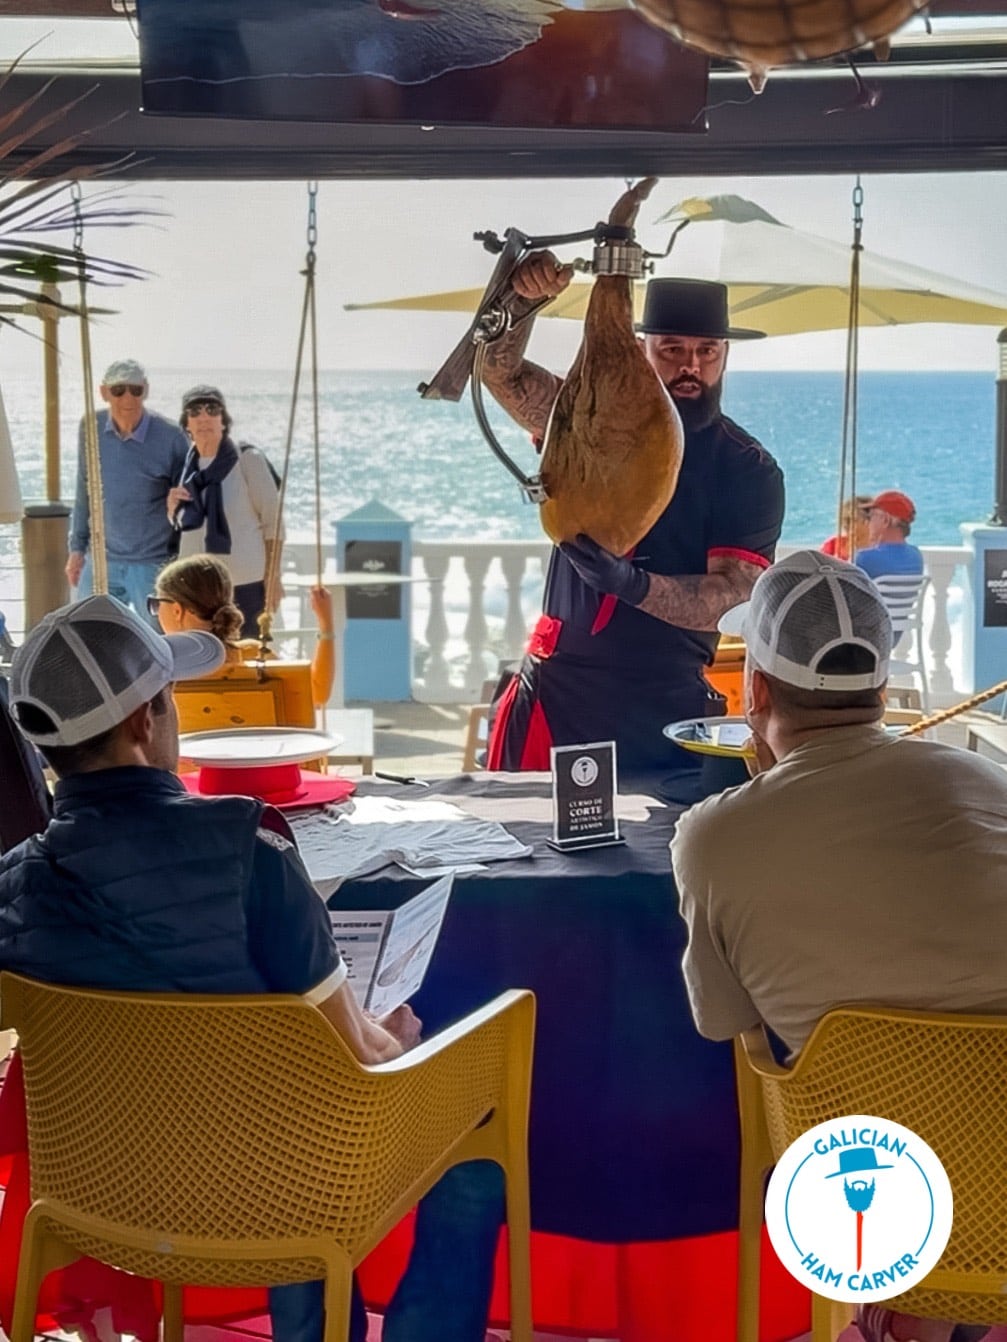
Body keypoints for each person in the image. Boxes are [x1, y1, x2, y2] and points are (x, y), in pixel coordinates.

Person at [0, 594, 505, 1342]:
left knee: (268, 1112)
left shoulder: (15, 883)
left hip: (102, 1199)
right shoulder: (249, 847)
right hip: (282, 1191)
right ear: (146, 721)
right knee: (476, 1125)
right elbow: (357, 1054)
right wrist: (399, 1037)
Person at [670, 551, 1007, 1342]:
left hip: (877, 1197)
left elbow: (723, 1023)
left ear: (752, 690)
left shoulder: (712, 838)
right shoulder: (989, 786)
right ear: (880, 688)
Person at [481, 271, 785, 789]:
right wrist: (522, 300)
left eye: (707, 351)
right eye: (671, 349)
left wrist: (632, 586)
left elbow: (734, 595)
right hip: (556, 691)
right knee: (520, 850)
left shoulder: (746, 468)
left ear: (724, 355)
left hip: (661, 704)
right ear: (642, 350)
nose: (691, 365)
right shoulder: (588, 419)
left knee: (658, 861)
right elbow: (499, 374)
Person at [66, 359, 190, 623]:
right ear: (104, 392)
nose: (128, 397)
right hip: (101, 558)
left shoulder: (172, 436)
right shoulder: (90, 427)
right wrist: (77, 549)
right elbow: (84, 489)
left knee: (161, 643)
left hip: (153, 563)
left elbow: (189, 501)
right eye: (119, 389)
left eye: (135, 389)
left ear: (145, 390)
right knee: (87, 633)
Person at [167, 385, 283, 638]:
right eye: (195, 411)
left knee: (249, 662)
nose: (204, 417)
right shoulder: (187, 466)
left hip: (246, 587)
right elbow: (187, 527)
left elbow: (274, 523)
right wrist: (172, 510)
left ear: (224, 420)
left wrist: (273, 579)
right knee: (203, 665)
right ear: (187, 424)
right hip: (197, 591)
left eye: (212, 409)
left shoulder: (247, 459)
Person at [152, 552, 335, 708]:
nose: (156, 612)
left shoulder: (159, 670)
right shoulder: (254, 654)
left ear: (177, 610)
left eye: (156, 604)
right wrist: (326, 623)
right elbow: (318, 694)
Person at [854, 489, 924, 578]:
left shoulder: (863, 558)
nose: (867, 523)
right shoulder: (916, 556)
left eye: (870, 517)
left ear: (885, 520)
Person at [820, 494, 871, 561]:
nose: (848, 524)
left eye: (854, 519)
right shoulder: (833, 545)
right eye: (847, 519)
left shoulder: (881, 550)